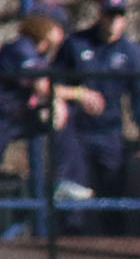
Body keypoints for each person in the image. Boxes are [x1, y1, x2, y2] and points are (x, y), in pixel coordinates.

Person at [54, 0, 140, 229]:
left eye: (119, 15)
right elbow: (51, 85)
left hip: (110, 133)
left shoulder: (130, 52)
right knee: (72, 195)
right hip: (76, 132)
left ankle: (113, 250)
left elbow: (138, 98)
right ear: (100, 14)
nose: (114, 21)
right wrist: (77, 95)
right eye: (109, 14)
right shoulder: (76, 44)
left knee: (113, 195)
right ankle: (69, 246)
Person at [0, 14, 104, 168]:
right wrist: (80, 94)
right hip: (5, 115)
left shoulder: (40, 54)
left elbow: (43, 91)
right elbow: (42, 87)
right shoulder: (21, 48)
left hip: (15, 116)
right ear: (45, 26)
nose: (63, 33)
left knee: (59, 112)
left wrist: (59, 101)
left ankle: (66, 180)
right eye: (59, 27)